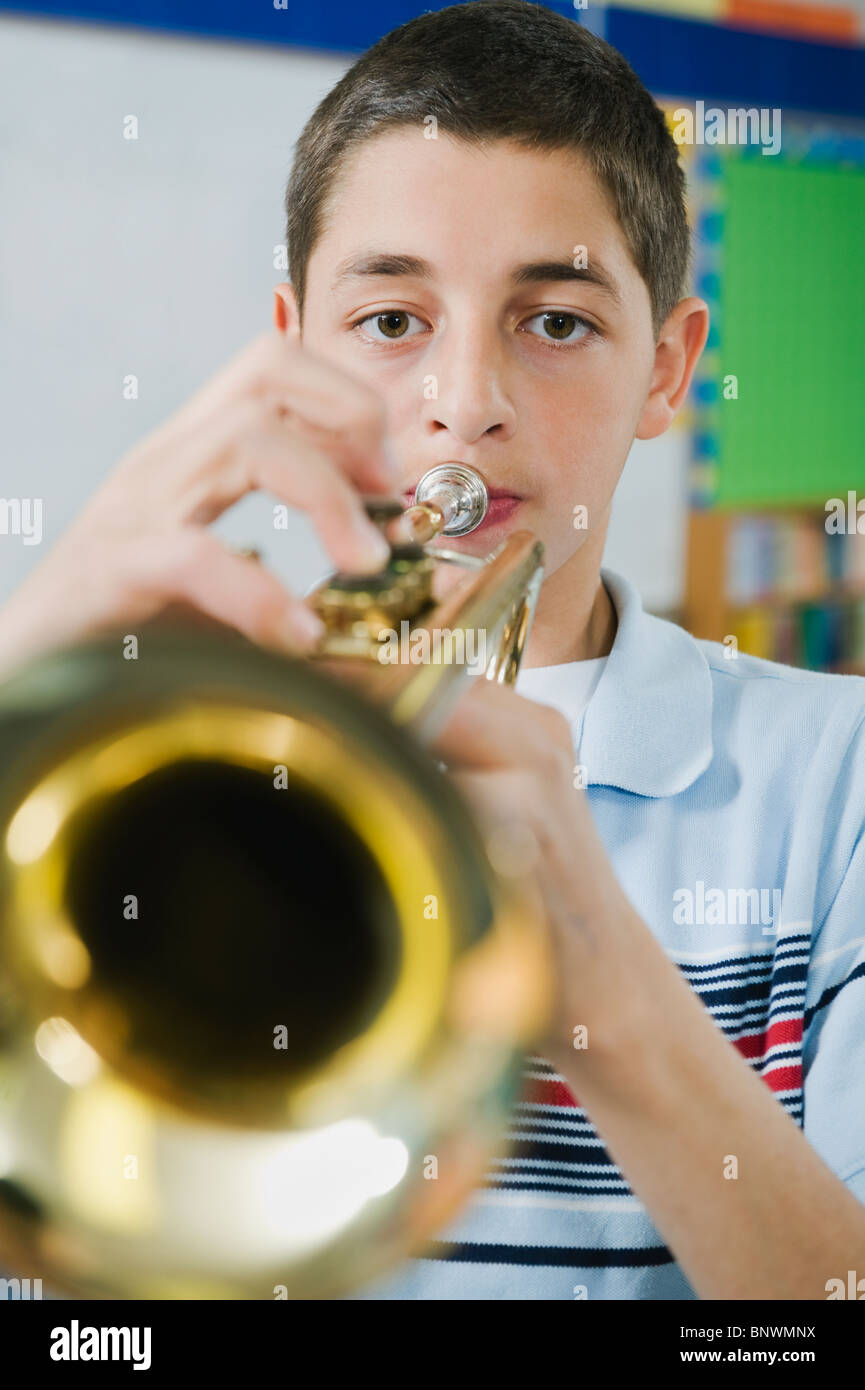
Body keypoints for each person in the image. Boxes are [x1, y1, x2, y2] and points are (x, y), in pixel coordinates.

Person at [2, 0, 864, 1300]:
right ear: (293, 346)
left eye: (556, 321)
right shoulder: (127, 750)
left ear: (665, 369)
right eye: (393, 320)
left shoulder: (833, 778)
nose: (465, 402)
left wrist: (615, 1004)